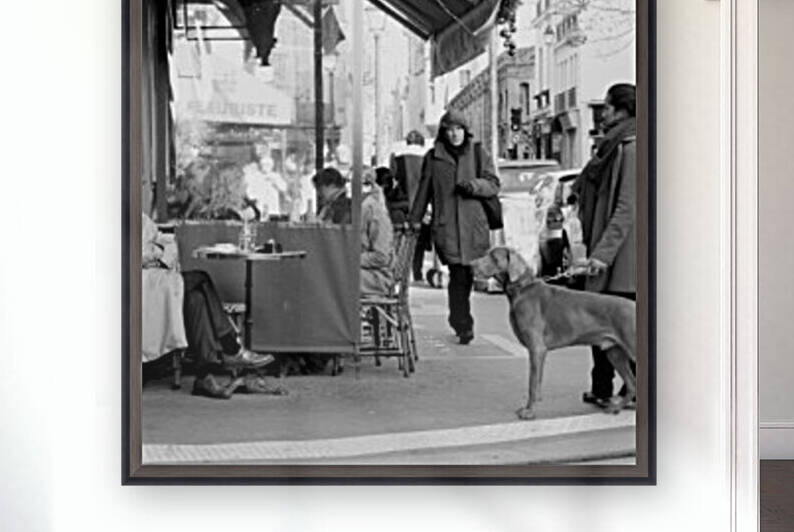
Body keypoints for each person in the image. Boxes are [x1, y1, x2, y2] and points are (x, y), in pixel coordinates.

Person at [142, 213, 276, 399]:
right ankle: (231, 347)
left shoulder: (141, 217)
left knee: (196, 298)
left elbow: (169, 246)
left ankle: (204, 377)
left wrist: (157, 250)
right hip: (139, 284)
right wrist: (156, 251)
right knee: (201, 278)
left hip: (159, 278)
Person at [409, 111, 500, 345]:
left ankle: (459, 318)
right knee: (458, 275)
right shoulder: (433, 157)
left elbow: (493, 184)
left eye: (459, 129)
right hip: (447, 226)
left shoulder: (479, 153)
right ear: (443, 132)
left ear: (465, 130)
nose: (454, 133)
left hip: (473, 226)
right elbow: (424, 191)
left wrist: (472, 186)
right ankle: (462, 323)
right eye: (450, 129)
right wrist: (414, 220)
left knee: (467, 276)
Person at [573, 83, 637, 408]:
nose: (604, 113)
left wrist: (602, 255)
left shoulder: (631, 147)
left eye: (608, 107)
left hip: (623, 259)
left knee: (615, 327)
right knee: (604, 324)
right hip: (609, 250)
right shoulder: (611, 146)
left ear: (624, 109)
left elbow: (628, 207)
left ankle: (629, 391)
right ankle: (602, 388)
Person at [390, 130, 431, 281]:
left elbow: (393, 179)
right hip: (422, 205)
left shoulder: (397, 157)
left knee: (400, 241)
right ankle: (417, 272)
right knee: (418, 243)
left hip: (403, 205)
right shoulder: (427, 156)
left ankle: (400, 273)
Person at [360, 167, 394, 296]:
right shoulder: (363, 207)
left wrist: (348, 259)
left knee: (327, 279)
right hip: (365, 272)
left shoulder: (373, 210)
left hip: (377, 278)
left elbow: (381, 257)